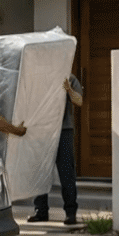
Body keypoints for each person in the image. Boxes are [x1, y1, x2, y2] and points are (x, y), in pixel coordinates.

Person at [28, 75, 84, 225]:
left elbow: (79, 101)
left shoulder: (70, 79)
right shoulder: (39, 77)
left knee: (67, 173)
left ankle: (71, 213)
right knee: (39, 172)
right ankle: (40, 211)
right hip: (41, 131)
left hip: (63, 131)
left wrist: (68, 90)